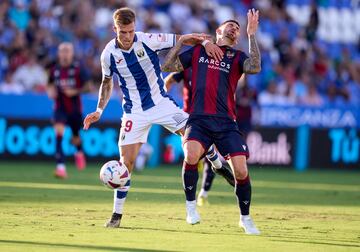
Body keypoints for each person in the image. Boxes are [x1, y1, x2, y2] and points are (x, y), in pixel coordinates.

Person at [82, 7, 226, 228]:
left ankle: (216, 161)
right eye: (123, 32)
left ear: (135, 28)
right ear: (114, 29)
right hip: (133, 112)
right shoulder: (108, 54)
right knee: (125, 165)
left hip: (161, 103)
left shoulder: (148, 40)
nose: (127, 36)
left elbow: (183, 39)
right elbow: (106, 82)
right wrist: (99, 110)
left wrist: (205, 43)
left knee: (196, 132)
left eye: (130, 31)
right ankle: (116, 217)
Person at [161, 9, 261, 234]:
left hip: (226, 122)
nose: (235, 28)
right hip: (198, 119)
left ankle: (245, 219)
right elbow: (168, 67)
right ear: (218, 31)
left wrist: (252, 34)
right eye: (230, 25)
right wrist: (183, 41)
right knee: (191, 155)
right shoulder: (197, 52)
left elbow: (255, 67)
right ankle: (191, 209)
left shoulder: (237, 57)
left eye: (238, 27)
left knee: (241, 172)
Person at [164, 71, 235, 207]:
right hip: (189, 119)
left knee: (209, 155)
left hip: (209, 117)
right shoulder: (188, 67)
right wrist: (163, 97)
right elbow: (170, 79)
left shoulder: (213, 70)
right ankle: (195, 193)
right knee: (192, 158)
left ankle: (203, 193)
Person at [47, 42, 91, 179]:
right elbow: (49, 84)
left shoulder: (78, 68)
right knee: (58, 134)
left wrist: (75, 91)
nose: (65, 54)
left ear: (72, 53)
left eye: (67, 51)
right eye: (62, 51)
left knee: (75, 136)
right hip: (59, 107)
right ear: (59, 53)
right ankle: (60, 167)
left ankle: (79, 151)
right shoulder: (54, 69)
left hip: (75, 108)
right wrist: (50, 91)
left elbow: (89, 87)